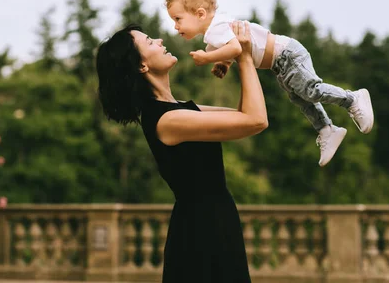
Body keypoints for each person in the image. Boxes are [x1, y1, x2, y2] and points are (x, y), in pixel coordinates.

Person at [96, 21, 267, 283]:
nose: (161, 41)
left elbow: (244, 116)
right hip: (201, 231)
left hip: (214, 220)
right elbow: (257, 120)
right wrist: (243, 56)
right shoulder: (167, 120)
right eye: (150, 42)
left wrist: (233, 58)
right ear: (142, 66)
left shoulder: (178, 109)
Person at [164, 0, 375, 167]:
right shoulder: (213, 35)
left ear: (200, 14)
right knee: (300, 98)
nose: (175, 26)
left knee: (311, 90)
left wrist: (207, 58)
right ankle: (326, 129)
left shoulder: (216, 28)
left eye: (178, 19)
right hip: (279, 63)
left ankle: (352, 98)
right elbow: (233, 49)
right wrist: (224, 64)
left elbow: (237, 49)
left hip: (287, 55)